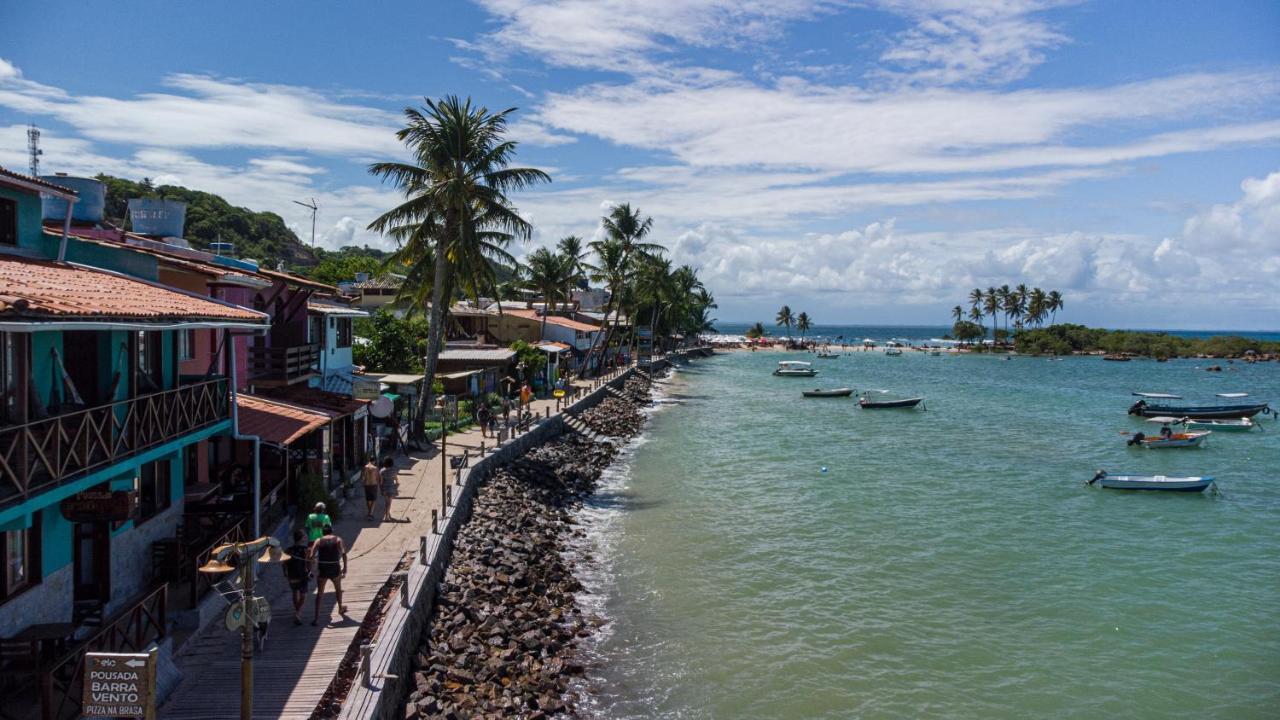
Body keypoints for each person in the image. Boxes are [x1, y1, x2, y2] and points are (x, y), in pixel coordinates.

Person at [307, 524, 347, 625]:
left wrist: (312, 566)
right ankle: (340, 608)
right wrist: (345, 567)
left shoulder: (318, 541)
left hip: (323, 569)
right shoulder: (338, 539)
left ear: (323, 532)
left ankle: (316, 618)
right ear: (331, 531)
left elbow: (311, 556)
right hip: (334, 569)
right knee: (338, 589)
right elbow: (343, 553)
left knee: (319, 594)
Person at [281, 529, 310, 625]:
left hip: (291, 575)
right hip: (302, 575)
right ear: (301, 538)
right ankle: (297, 613)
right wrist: (309, 571)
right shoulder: (305, 549)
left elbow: (283, 562)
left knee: (294, 592)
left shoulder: (288, 550)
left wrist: (285, 572)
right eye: (304, 536)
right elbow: (308, 562)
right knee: (303, 595)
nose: (305, 537)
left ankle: (297, 612)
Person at [379, 457, 399, 522]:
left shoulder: (382, 471)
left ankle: (387, 514)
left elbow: (381, 482)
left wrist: (381, 489)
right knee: (389, 503)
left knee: (386, 502)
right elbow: (396, 479)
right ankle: (386, 516)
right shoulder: (394, 470)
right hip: (391, 487)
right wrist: (397, 484)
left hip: (384, 488)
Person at [361, 455, 380, 520]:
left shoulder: (365, 467)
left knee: (368, 499)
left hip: (367, 485)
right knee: (374, 500)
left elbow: (363, 477)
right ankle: (370, 514)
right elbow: (377, 478)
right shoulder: (375, 468)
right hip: (374, 485)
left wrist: (363, 483)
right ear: (374, 461)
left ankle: (369, 513)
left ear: (369, 460)